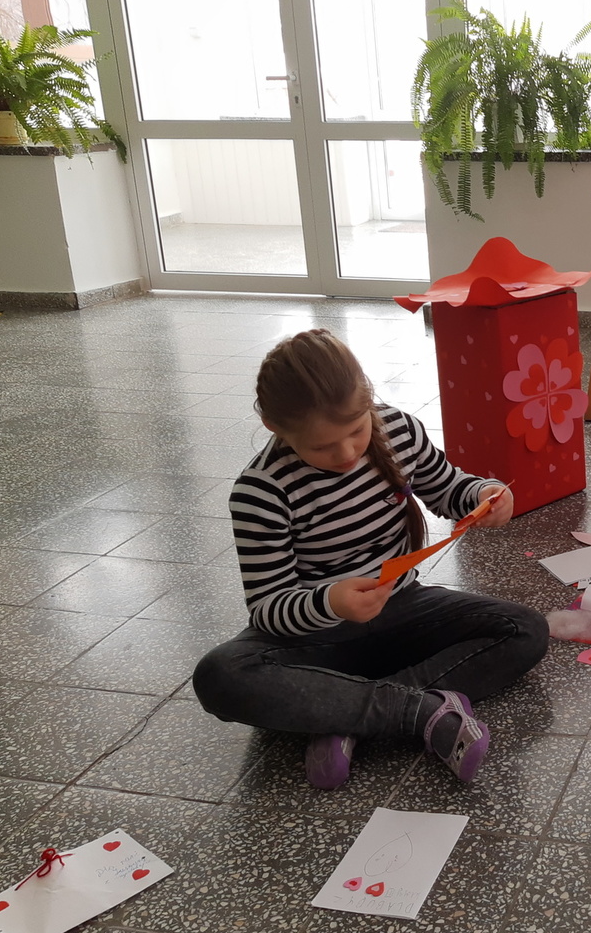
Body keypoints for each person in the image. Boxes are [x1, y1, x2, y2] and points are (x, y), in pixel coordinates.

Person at [192, 329, 548, 790]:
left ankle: (344, 712)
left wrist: (484, 494)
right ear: (275, 428)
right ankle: (415, 711)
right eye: (322, 446)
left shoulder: (398, 429)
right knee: (220, 675)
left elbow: (446, 487)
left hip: (403, 610)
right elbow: (268, 607)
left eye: (357, 431)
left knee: (525, 629)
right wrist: (330, 602)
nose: (346, 453)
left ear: (368, 400)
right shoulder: (260, 491)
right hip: (317, 637)